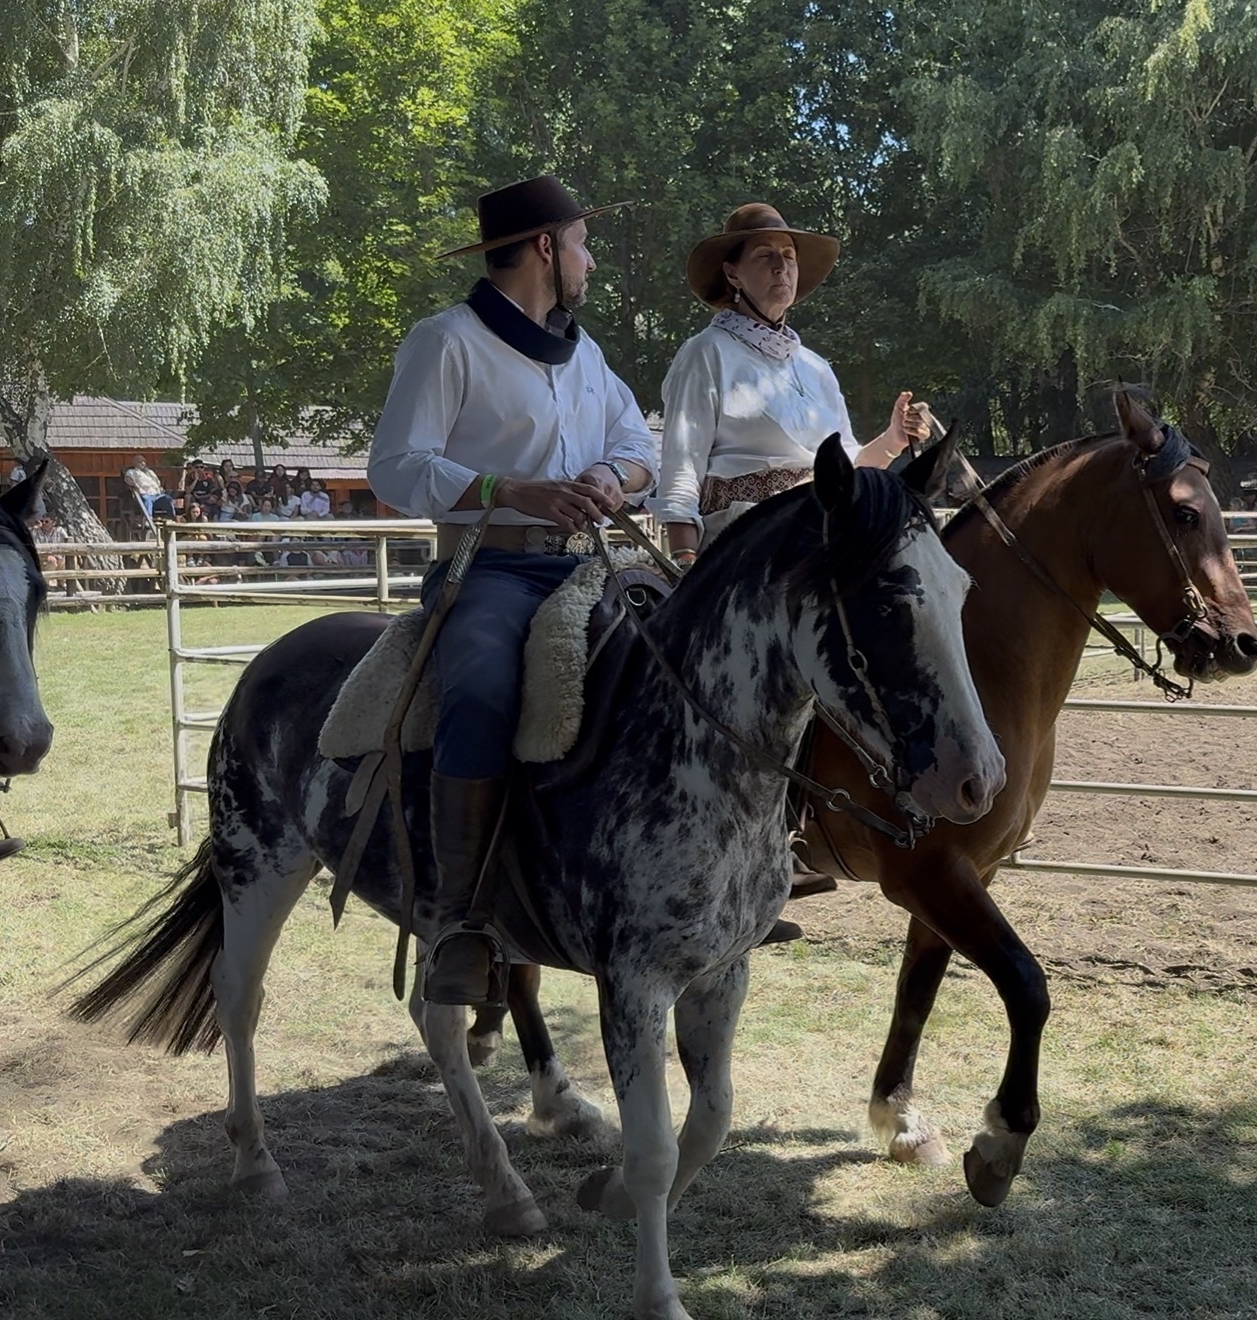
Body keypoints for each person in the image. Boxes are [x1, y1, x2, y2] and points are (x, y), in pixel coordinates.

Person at [367, 175, 658, 1007]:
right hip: (487, 568)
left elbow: (638, 443)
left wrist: (609, 472)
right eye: (581, 244)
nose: (590, 262)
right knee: (484, 685)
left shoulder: (586, 353)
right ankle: (460, 920)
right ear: (544, 249)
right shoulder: (446, 342)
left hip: (588, 562)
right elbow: (394, 466)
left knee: (687, 654)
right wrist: (508, 489)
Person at [656, 203, 928, 559]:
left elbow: (849, 467)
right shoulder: (706, 353)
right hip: (746, 549)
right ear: (732, 273)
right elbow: (682, 468)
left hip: (824, 540)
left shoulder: (816, 368)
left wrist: (893, 439)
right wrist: (684, 564)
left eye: (789, 256)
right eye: (765, 255)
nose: (781, 266)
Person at [121, 455, 171, 522]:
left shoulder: (150, 472)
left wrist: (160, 488)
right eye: (140, 462)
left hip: (156, 495)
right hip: (144, 495)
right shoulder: (132, 472)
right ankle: (148, 520)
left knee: (167, 498)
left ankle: (171, 519)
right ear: (135, 463)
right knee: (147, 499)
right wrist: (136, 486)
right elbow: (128, 479)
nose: (143, 463)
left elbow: (158, 483)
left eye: (144, 461)